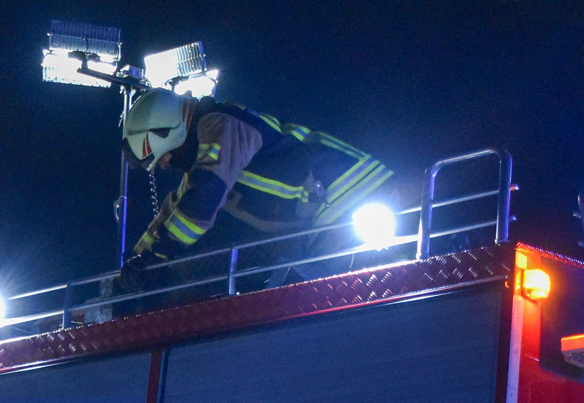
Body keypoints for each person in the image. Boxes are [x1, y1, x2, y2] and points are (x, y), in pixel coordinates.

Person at [118, 89, 392, 298]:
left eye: (160, 157)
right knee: (307, 301)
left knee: (351, 297)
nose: (163, 165)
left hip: (353, 193)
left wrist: (159, 254)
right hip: (320, 221)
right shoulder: (206, 159)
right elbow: (176, 211)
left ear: (166, 132)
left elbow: (202, 200)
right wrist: (136, 261)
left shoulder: (221, 126)